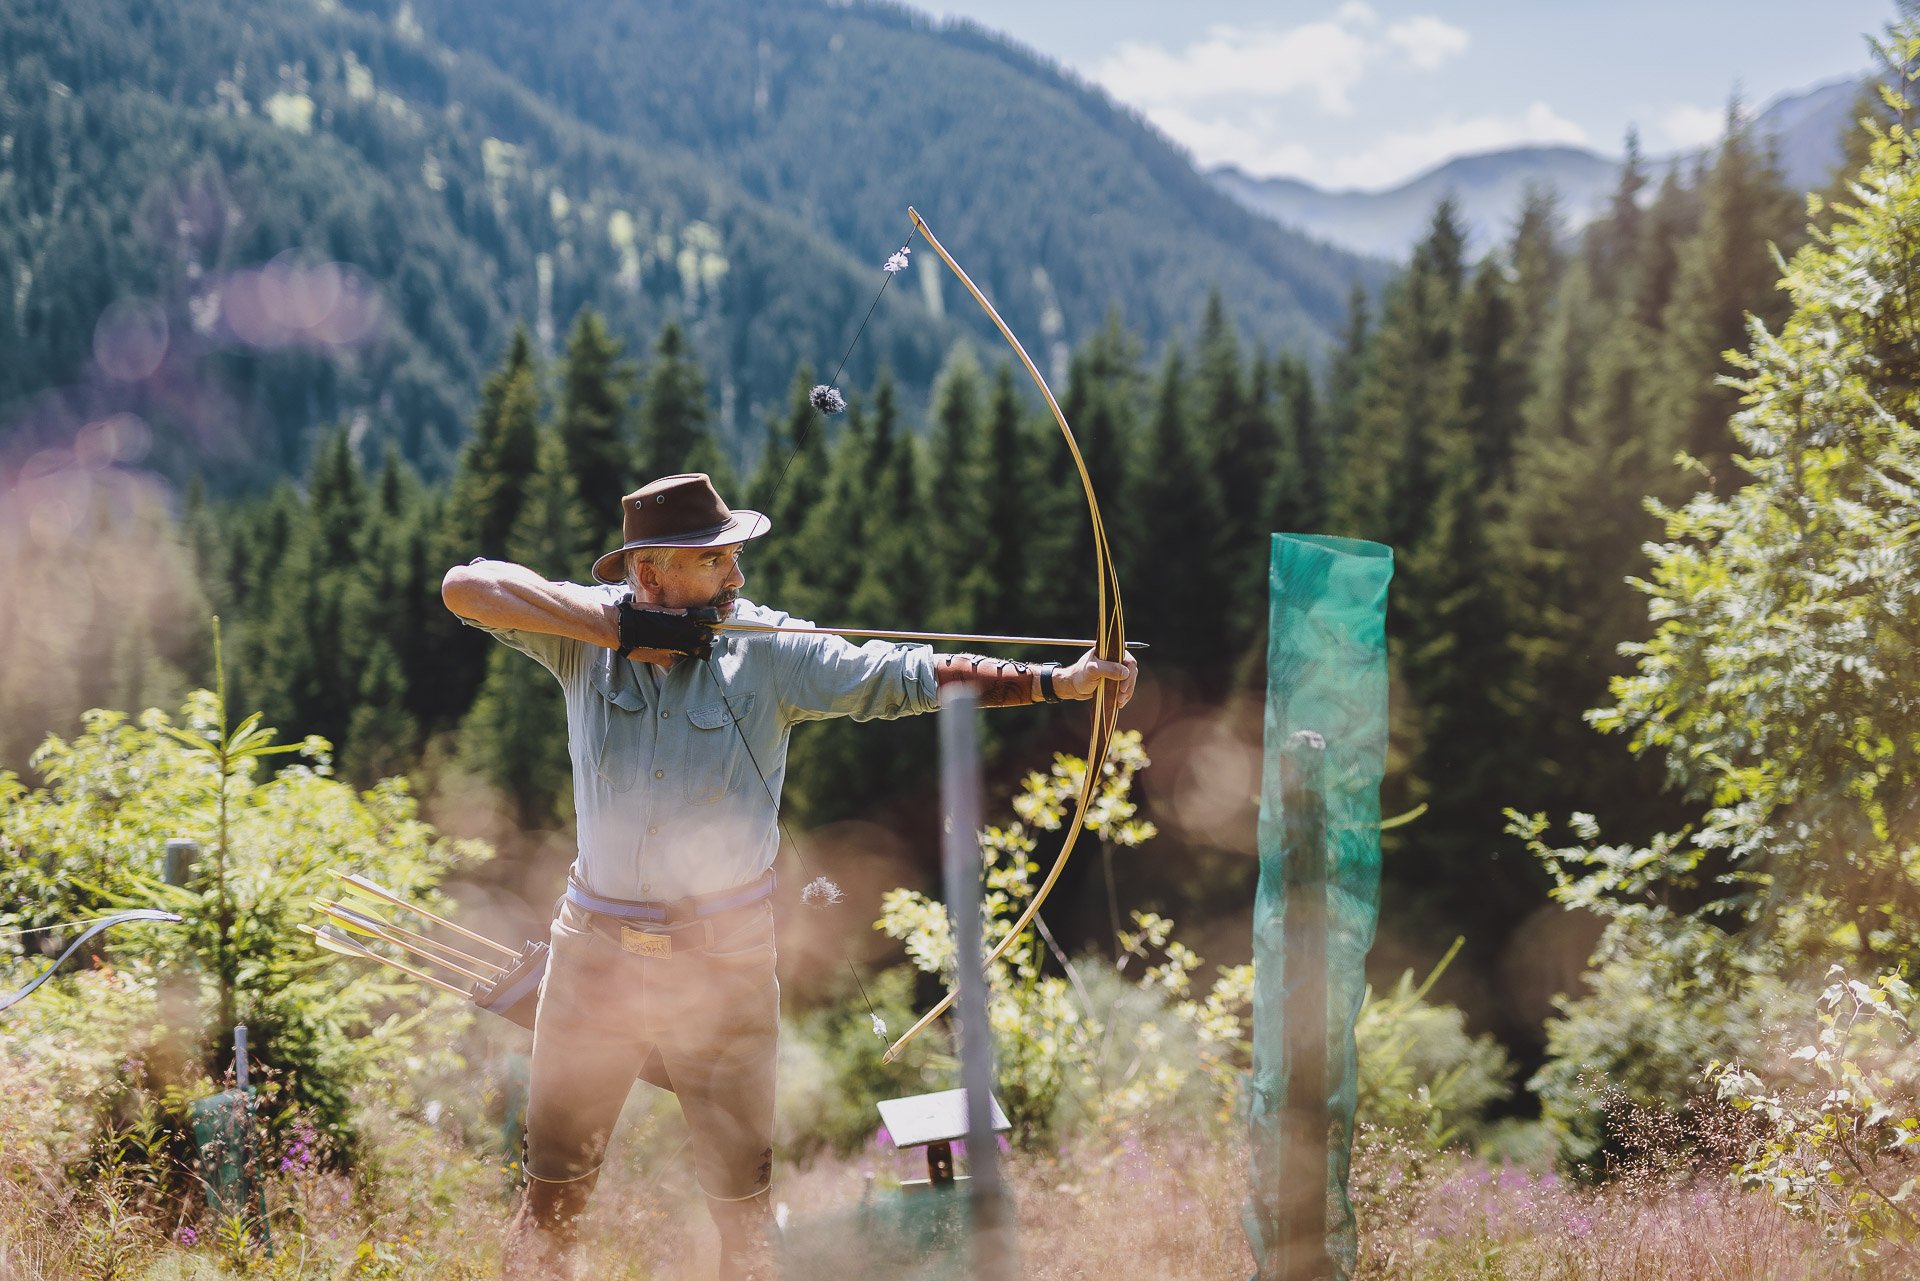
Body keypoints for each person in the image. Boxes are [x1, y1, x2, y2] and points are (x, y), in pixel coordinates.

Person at [441, 472, 1136, 1280]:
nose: (736, 576)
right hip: (592, 957)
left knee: (742, 1213)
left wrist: (1058, 682)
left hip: (723, 966)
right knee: (552, 1200)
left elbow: (903, 675)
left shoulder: (767, 647)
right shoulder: (581, 637)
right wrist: (620, 629)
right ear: (651, 572)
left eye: (735, 557)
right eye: (716, 560)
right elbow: (467, 586)